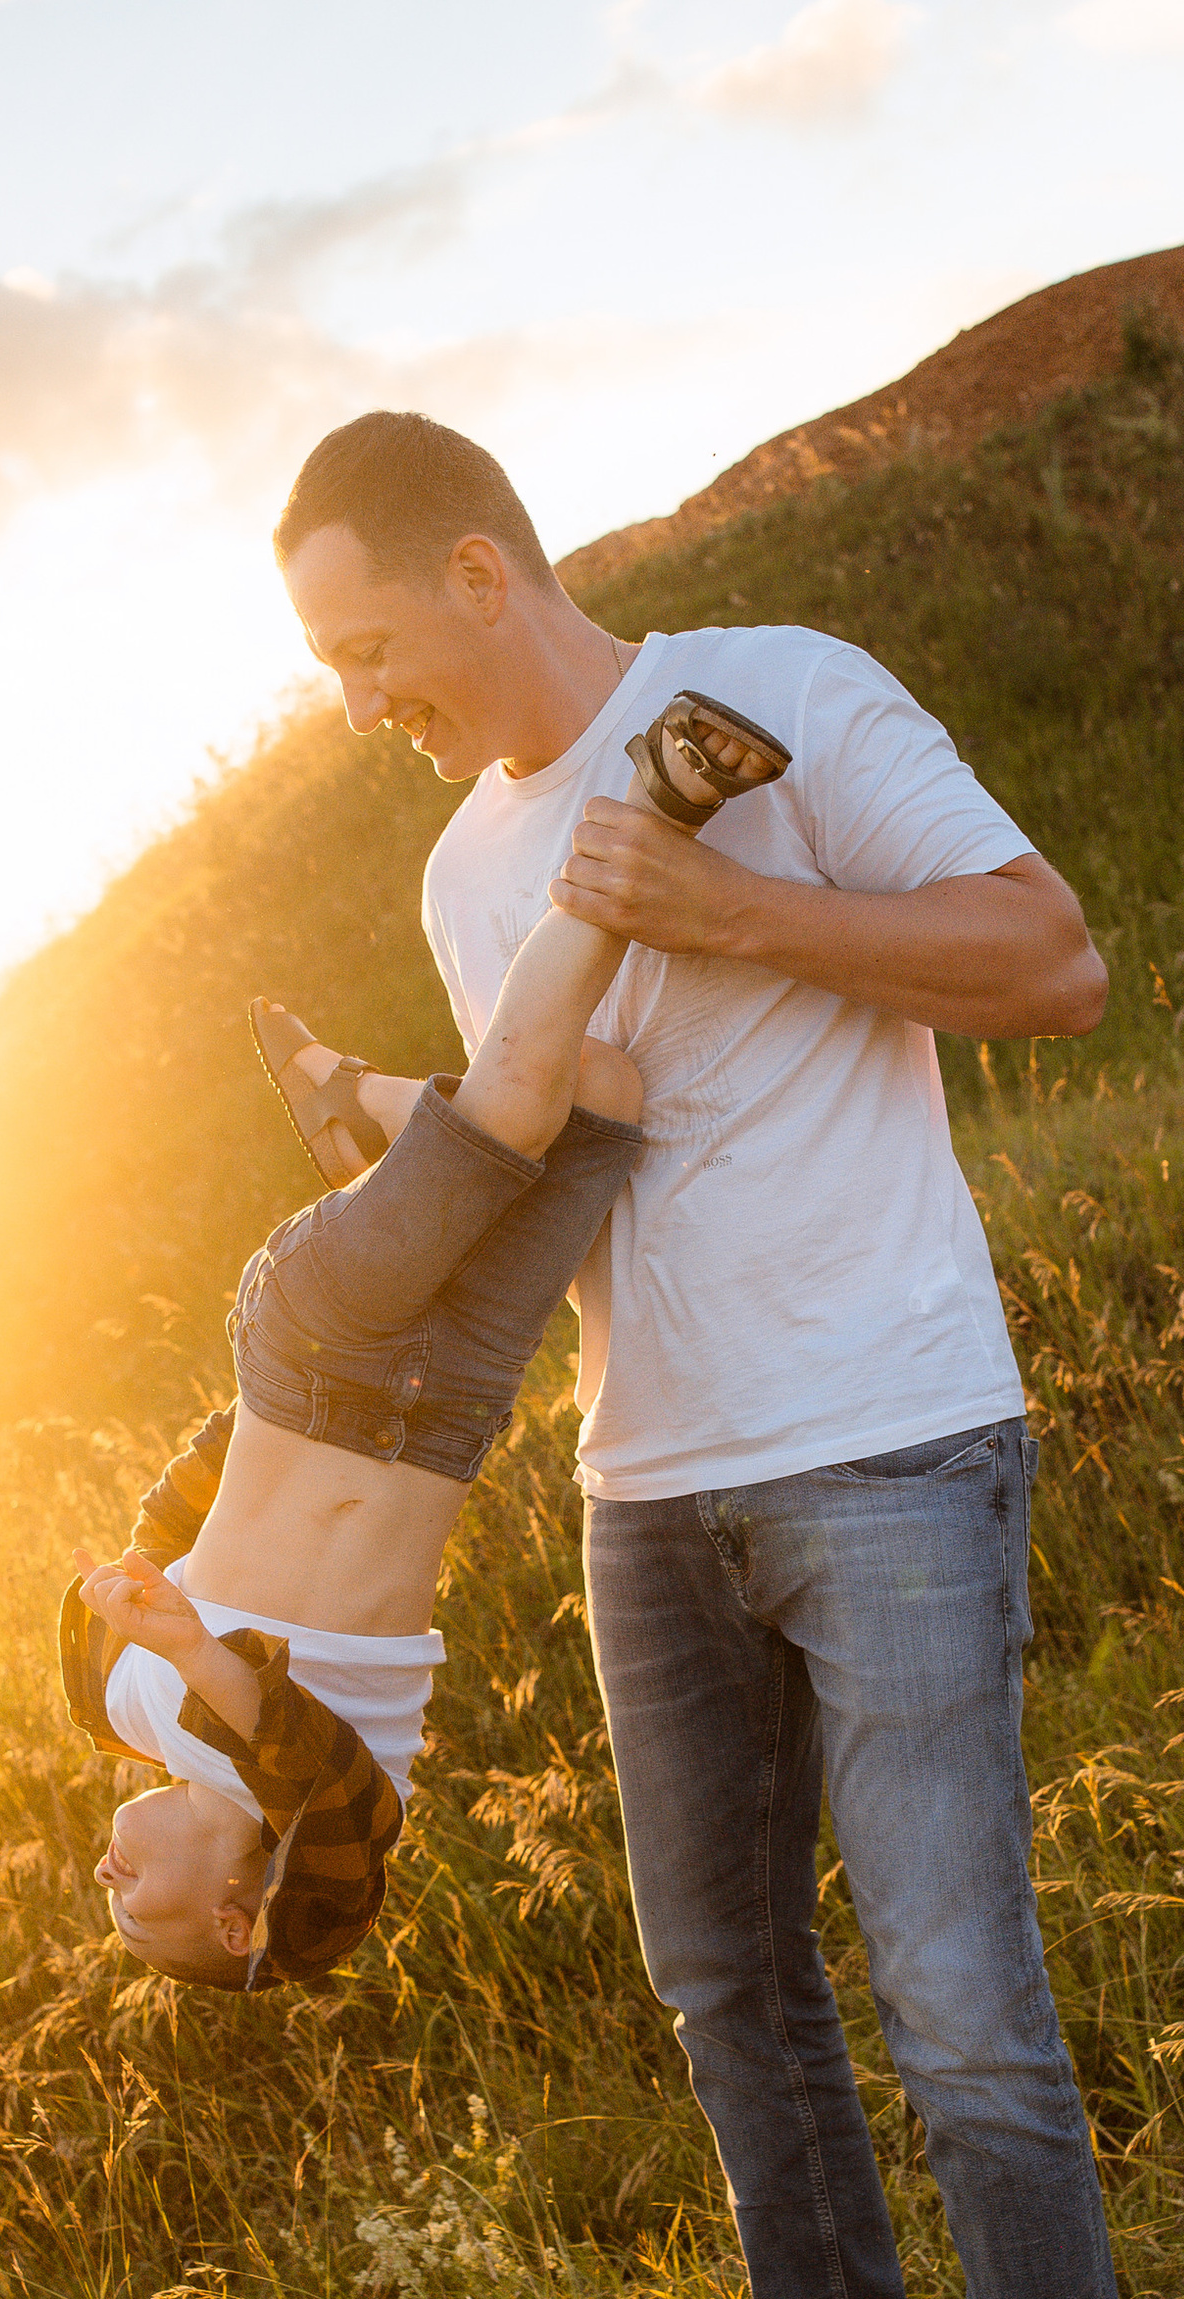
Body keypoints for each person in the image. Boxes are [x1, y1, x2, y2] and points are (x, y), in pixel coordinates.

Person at [272, 407, 1140, 2299]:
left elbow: (1045, 962)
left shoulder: (773, 686)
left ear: (477, 565)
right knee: (721, 1978)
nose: (362, 701)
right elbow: (570, 1165)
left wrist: (727, 904)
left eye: (367, 647)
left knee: (958, 2006)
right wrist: (396, 1138)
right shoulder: (469, 874)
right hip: (644, 1482)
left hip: (883, 1435)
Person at [56, 701, 787, 1990]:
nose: (103, 1883)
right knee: (605, 1093)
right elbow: (306, 1760)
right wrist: (185, 1640)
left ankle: (660, 797)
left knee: (513, 1101)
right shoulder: (346, 1822)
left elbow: (168, 1514)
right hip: (448, 1402)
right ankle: (373, 1122)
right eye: (135, 1916)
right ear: (238, 1920)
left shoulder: (119, 1705)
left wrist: (145, 1578)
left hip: (310, 1352)